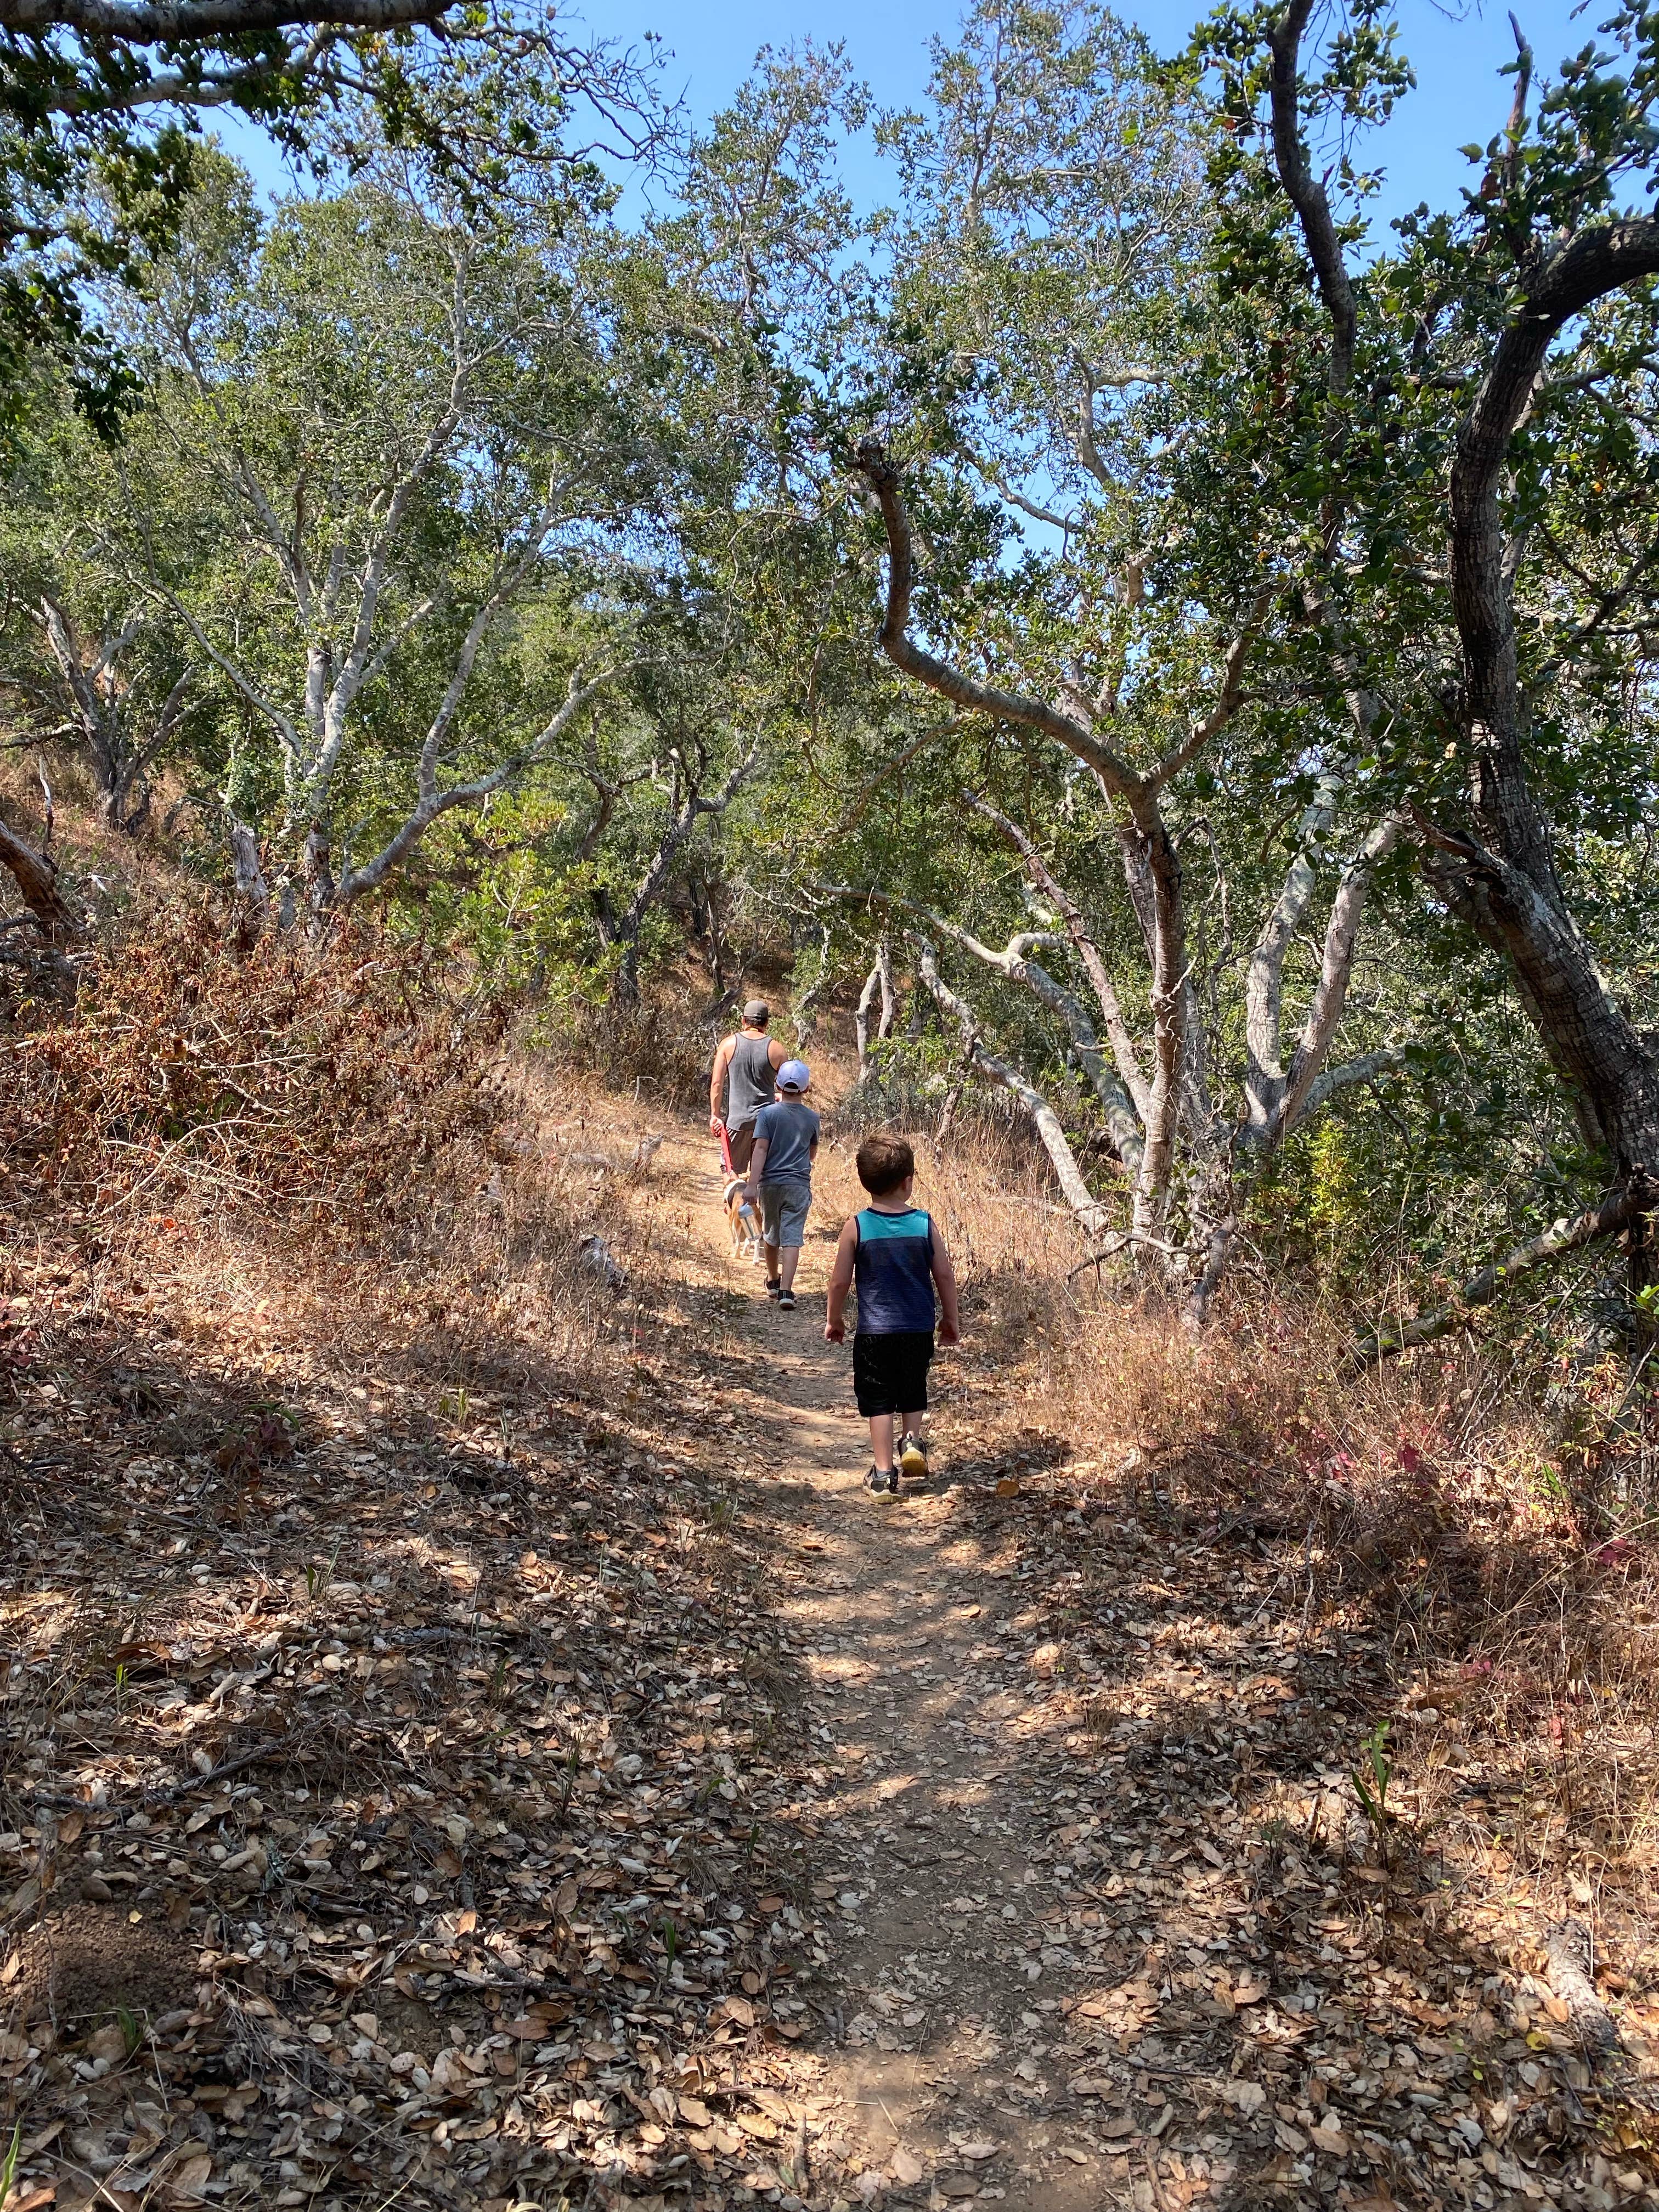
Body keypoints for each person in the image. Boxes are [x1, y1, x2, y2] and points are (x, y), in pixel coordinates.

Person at [824, 1133, 960, 1494]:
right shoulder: (924, 1224)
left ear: (865, 1180)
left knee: (879, 1399)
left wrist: (834, 1319)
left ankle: (884, 1474)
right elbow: (944, 1275)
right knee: (913, 1387)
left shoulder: (857, 1226)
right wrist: (951, 1318)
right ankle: (913, 1442)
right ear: (908, 1182)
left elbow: (838, 1283)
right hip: (917, 1330)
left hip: (875, 1333)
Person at [745, 1059, 819, 1309]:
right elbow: (812, 1152)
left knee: (771, 1233)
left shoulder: (767, 1114)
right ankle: (787, 1291)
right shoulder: (812, 1118)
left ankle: (773, 1280)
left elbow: (761, 1149)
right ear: (806, 1089)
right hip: (798, 1185)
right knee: (792, 1237)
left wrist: (751, 1185)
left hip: (769, 1185)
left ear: (777, 1084)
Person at [709, 1000, 787, 1176]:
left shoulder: (728, 1044)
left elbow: (716, 1083)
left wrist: (715, 1115)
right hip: (767, 1123)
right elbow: (790, 1086)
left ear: (743, 1020)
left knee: (730, 1172)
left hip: (737, 1122)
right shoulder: (777, 1049)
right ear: (766, 1023)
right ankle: (758, 1204)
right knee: (763, 1175)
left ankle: (734, 1203)